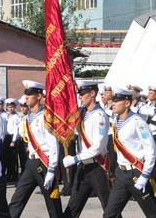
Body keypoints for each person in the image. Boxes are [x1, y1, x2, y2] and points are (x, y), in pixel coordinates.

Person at [103, 87, 156, 218]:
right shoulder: (116, 121)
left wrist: (145, 175)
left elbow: (151, 149)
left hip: (136, 173)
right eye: (112, 101)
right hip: (121, 174)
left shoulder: (138, 122)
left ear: (127, 103)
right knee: (109, 214)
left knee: (153, 214)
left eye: (117, 101)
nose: (113, 103)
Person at [8, 80, 62, 218]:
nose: (26, 96)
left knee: (52, 203)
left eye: (30, 94)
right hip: (31, 163)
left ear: (39, 96)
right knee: (17, 198)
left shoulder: (46, 116)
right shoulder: (28, 117)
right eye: (25, 93)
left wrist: (51, 169)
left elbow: (53, 145)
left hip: (44, 163)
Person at [62, 80, 113, 218]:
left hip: (97, 167)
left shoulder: (100, 116)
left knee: (109, 208)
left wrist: (75, 158)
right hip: (83, 167)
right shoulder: (81, 113)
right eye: (79, 94)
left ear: (92, 93)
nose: (80, 97)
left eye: (83, 93)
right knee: (73, 207)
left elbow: (98, 146)